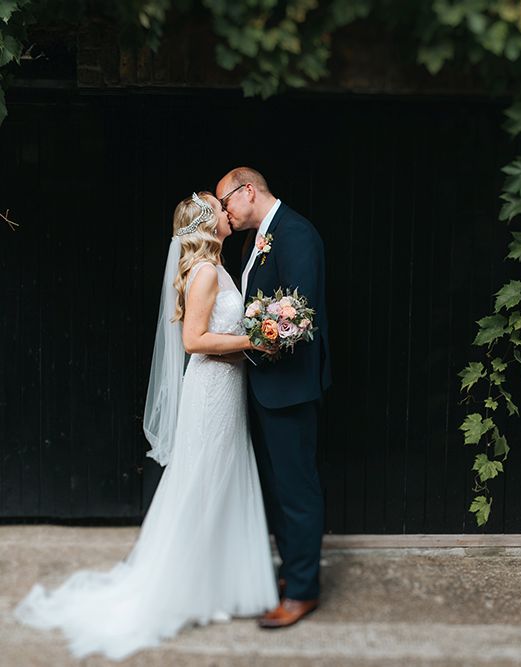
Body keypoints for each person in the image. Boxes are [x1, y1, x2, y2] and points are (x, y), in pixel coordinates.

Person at [13, 192, 279, 660]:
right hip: (211, 390)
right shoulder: (203, 273)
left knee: (220, 480)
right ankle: (188, 588)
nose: (227, 211)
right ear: (206, 224)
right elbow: (194, 340)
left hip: (227, 386)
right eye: (219, 208)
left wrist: (254, 344)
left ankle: (212, 584)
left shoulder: (217, 268)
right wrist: (256, 338)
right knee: (203, 483)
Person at [216, 167, 331, 628]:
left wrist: (250, 344)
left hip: (289, 387)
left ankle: (303, 590)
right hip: (265, 386)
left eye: (226, 202)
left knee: (297, 489)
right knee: (279, 487)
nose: (224, 212)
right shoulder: (259, 238)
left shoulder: (296, 233)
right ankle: (293, 572)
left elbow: (298, 313)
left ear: (248, 191)